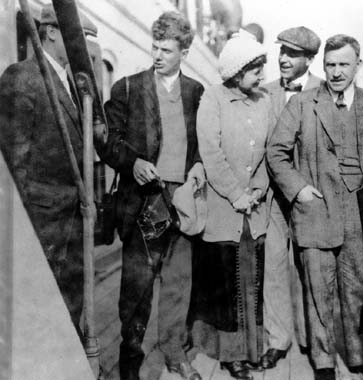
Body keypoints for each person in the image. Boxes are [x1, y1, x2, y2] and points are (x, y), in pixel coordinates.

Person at [100, 11, 205, 380]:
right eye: (155, 47)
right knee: (136, 290)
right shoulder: (127, 87)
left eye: (167, 49)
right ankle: (131, 363)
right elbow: (108, 142)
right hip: (143, 202)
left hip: (184, 203)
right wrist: (132, 163)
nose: (158, 54)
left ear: (184, 51)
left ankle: (175, 354)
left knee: (178, 284)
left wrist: (197, 166)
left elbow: (202, 145)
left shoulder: (195, 92)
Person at [267, 34, 363, 380]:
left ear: (357, 64)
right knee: (318, 293)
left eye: (344, 64)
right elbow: (276, 152)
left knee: (357, 290)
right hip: (316, 214)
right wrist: (299, 190)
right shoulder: (302, 104)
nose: (336, 72)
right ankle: (324, 363)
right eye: (330, 65)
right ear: (322, 66)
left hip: (357, 219)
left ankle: (357, 357)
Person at [0, 4, 97, 339]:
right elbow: (15, 162)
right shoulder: (22, 77)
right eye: (81, 36)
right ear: (52, 31)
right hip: (44, 223)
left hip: (70, 219)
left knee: (69, 305)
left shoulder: (70, 83)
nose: (84, 46)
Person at [189, 32, 270, 380]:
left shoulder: (265, 100)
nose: (262, 76)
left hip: (257, 207)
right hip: (226, 209)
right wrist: (237, 193)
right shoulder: (214, 99)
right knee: (227, 283)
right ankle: (231, 355)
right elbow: (211, 152)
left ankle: (254, 349)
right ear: (237, 72)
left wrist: (258, 189)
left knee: (253, 279)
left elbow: (270, 151)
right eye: (255, 69)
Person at [260, 26, 322, 369]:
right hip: (272, 198)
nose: (283, 59)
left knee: (311, 268)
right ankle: (278, 339)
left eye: (292, 54)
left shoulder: (325, 90)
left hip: (310, 197)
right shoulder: (264, 93)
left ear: (309, 60)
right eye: (281, 52)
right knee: (273, 267)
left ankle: (314, 340)